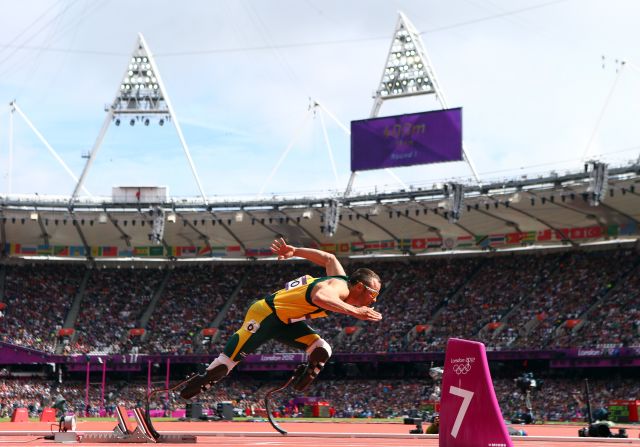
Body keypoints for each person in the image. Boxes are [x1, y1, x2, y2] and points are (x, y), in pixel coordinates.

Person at [180, 237, 382, 399]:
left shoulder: (340, 280)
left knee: (321, 349)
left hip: (286, 321)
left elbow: (329, 258)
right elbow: (320, 297)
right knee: (228, 362)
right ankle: (201, 380)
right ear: (359, 287)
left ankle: (304, 375)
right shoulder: (338, 287)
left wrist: (295, 251)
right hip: (266, 314)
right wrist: (355, 311)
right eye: (373, 294)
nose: (373, 301)